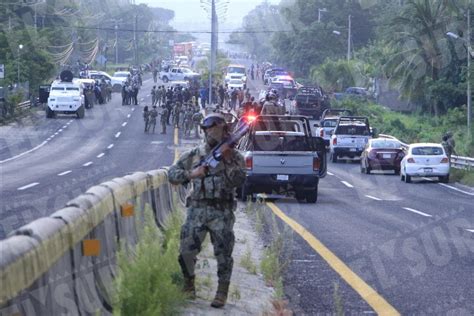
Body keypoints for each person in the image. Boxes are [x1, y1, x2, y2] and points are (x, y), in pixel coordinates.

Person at [168, 113, 245, 308]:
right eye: (206, 129)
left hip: (222, 211)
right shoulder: (195, 154)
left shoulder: (235, 156)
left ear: (222, 128)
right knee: (186, 250)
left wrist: (227, 160)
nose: (208, 132)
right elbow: (172, 174)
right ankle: (188, 286)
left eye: (213, 128)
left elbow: (239, 181)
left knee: (223, 254)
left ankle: (221, 292)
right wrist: (191, 173)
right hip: (197, 210)